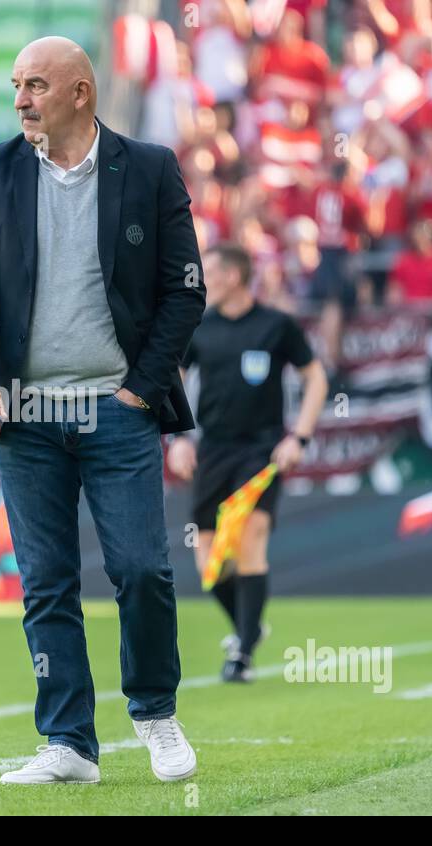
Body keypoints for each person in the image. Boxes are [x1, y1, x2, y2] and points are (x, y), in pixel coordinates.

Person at [0, 36, 205, 784]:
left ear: (81, 94)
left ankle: (156, 714)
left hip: (118, 409)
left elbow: (186, 289)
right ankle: (68, 742)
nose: (20, 100)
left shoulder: (150, 168)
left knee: (142, 569)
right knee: (46, 581)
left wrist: (137, 390)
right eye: (16, 86)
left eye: (34, 86)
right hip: (24, 416)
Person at [167, 243, 328, 682]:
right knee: (210, 564)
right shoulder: (199, 326)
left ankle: (240, 655)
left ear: (235, 276)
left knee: (251, 536)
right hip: (212, 450)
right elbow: (173, 382)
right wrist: (179, 438)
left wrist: (300, 436)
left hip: (261, 450)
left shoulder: (276, 326)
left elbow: (316, 378)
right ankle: (249, 625)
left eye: (212, 272)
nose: (205, 280)